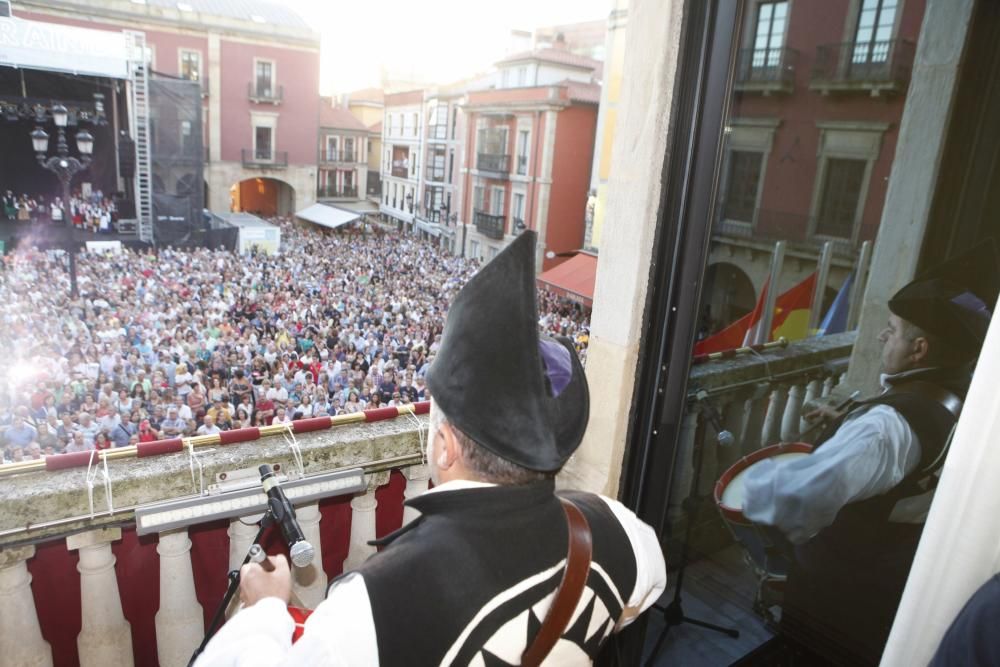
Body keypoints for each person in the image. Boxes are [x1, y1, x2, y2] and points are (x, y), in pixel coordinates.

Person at [194, 231, 666, 665]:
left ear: (445, 447)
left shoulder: (375, 604)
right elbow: (646, 586)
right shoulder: (618, 528)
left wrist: (267, 610)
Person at [742, 240, 999, 666]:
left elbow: (795, 498)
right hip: (884, 594)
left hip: (833, 603)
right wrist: (843, 424)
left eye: (893, 329)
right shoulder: (958, 399)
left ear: (919, 350)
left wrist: (754, 495)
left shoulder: (884, 428)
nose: (882, 335)